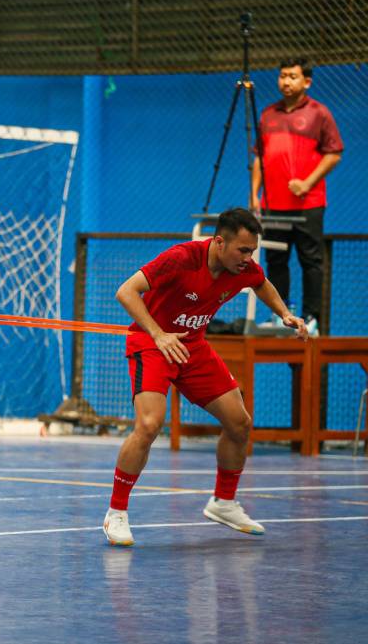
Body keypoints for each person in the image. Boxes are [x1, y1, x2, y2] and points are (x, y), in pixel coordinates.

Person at [103, 208, 308, 547]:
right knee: (150, 424)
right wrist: (158, 334)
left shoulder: (242, 269)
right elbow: (126, 291)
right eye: (243, 250)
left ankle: (223, 503)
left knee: (239, 423)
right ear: (218, 242)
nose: (249, 258)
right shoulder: (181, 258)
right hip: (152, 344)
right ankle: (116, 513)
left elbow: (261, 283)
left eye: (252, 251)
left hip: (193, 347)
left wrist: (284, 313)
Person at [250, 57, 343, 336]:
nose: (286, 81)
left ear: (306, 81)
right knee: (276, 259)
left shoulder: (319, 113)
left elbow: (334, 153)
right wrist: (255, 193)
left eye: (292, 76)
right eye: (282, 76)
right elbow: (260, 157)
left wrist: (307, 183)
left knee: (310, 260)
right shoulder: (267, 114)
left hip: (308, 204)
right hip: (272, 204)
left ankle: (311, 319)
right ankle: (282, 315)